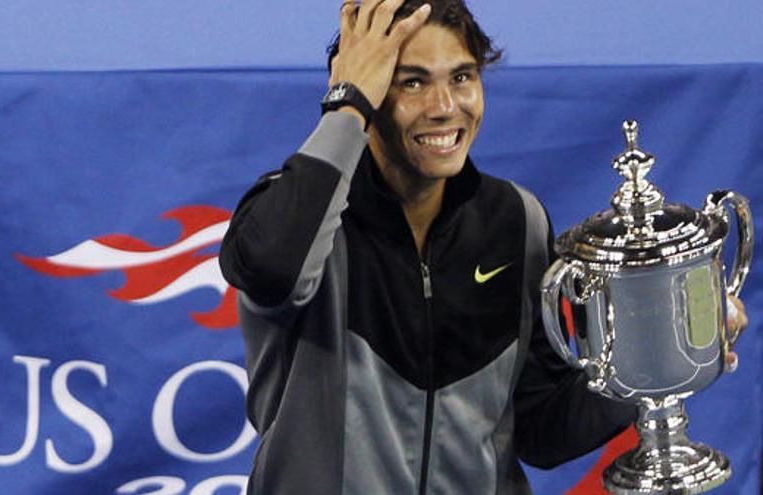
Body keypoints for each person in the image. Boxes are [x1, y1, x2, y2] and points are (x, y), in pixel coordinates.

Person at [218, 1, 750, 494]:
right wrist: (346, 103)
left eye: (463, 77)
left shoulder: (515, 219)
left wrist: (651, 363)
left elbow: (540, 432)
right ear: (368, 91)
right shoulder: (298, 214)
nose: (445, 106)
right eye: (411, 83)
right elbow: (269, 269)